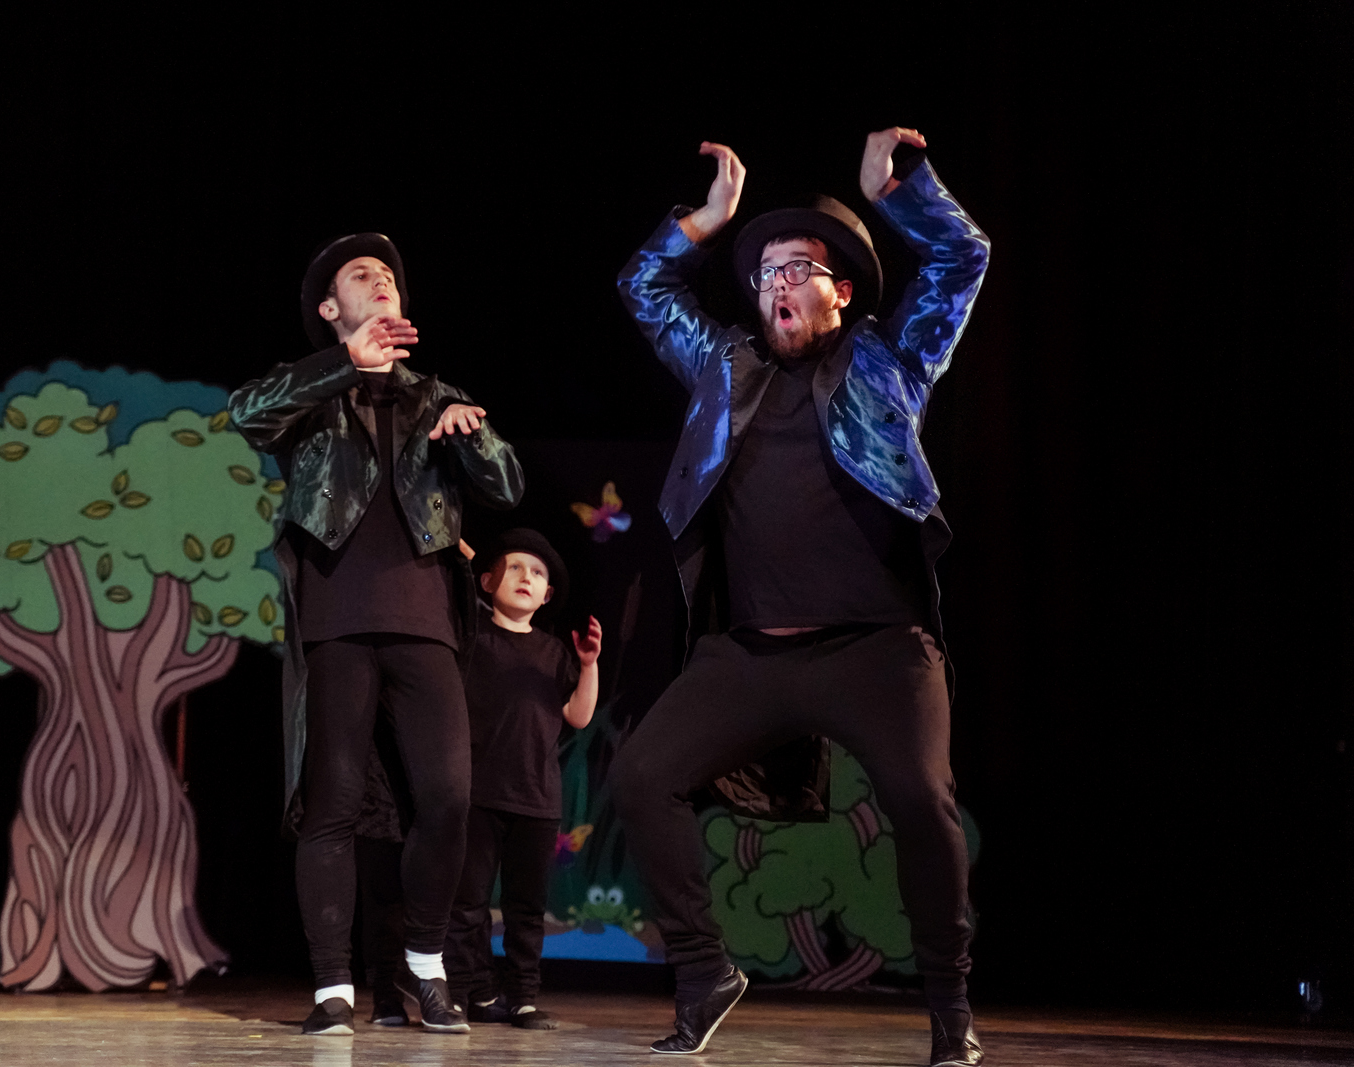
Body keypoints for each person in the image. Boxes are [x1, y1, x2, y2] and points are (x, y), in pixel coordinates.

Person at [611, 128, 990, 1067]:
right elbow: (644, 287)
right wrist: (703, 223)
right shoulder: (723, 367)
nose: (778, 284)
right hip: (749, 653)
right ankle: (704, 972)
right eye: (766, 272)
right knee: (640, 774)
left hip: (878, 649)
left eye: (799, 269)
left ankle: (950, 1008)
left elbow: (961, 258)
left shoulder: (889, 362)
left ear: (841, 291)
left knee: (921, 799)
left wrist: (898, 191)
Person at [229, 233, 525, 1035]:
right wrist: (342, 364)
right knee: (331, 802)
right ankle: (332, 984)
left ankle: (425, 965)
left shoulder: (437, 395)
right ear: (333, 309)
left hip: (426, 622)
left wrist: (474, 437)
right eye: (361, 274)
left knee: (449, 797)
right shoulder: (311, 391)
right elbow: (245, 414)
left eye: (388, 273)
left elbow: (506, 487)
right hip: (336, 621)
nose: (381, 279)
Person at [442, 529, 602, 1031]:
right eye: (514, 567)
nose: (525, 577)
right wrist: (462, 557)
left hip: (536, 799)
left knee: (526, 909)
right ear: (488, 582)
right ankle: (467, 993)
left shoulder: (553, 652)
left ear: (547, 595)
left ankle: (523, 998)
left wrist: (588, 665)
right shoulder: (471, 638)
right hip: (478, 794)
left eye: (536, 573)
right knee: (467, 905)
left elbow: (579, 716)